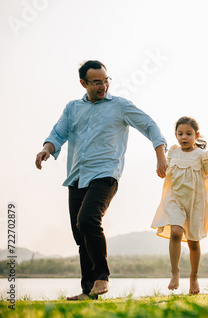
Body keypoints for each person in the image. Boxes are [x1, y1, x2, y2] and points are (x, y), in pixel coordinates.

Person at [35, 60, 168, 300]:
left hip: (106, 174)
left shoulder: (120, 106)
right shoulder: (72, 108)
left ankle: (102, 277)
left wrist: (160, 156)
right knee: (80, 233)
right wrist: (47, 148)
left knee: (87, 220)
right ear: (83, 83)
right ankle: (89, 292)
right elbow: (58, 132)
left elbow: (150, 125)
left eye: (106, 80)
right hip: (77, 176)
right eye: (97, 82)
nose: (103, 86)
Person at [151, 116, 208, 294]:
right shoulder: (172, 152)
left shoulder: (203, 155)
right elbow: (166, 170)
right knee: (176, 233)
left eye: (188, 134)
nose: (184, 137)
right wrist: (161, 168)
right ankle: (175, 272)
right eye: (180, 134)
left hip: (195, 202)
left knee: (194, 243)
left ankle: (194, 278)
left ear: (197, 135)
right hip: (175, 199)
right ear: (175, 135)